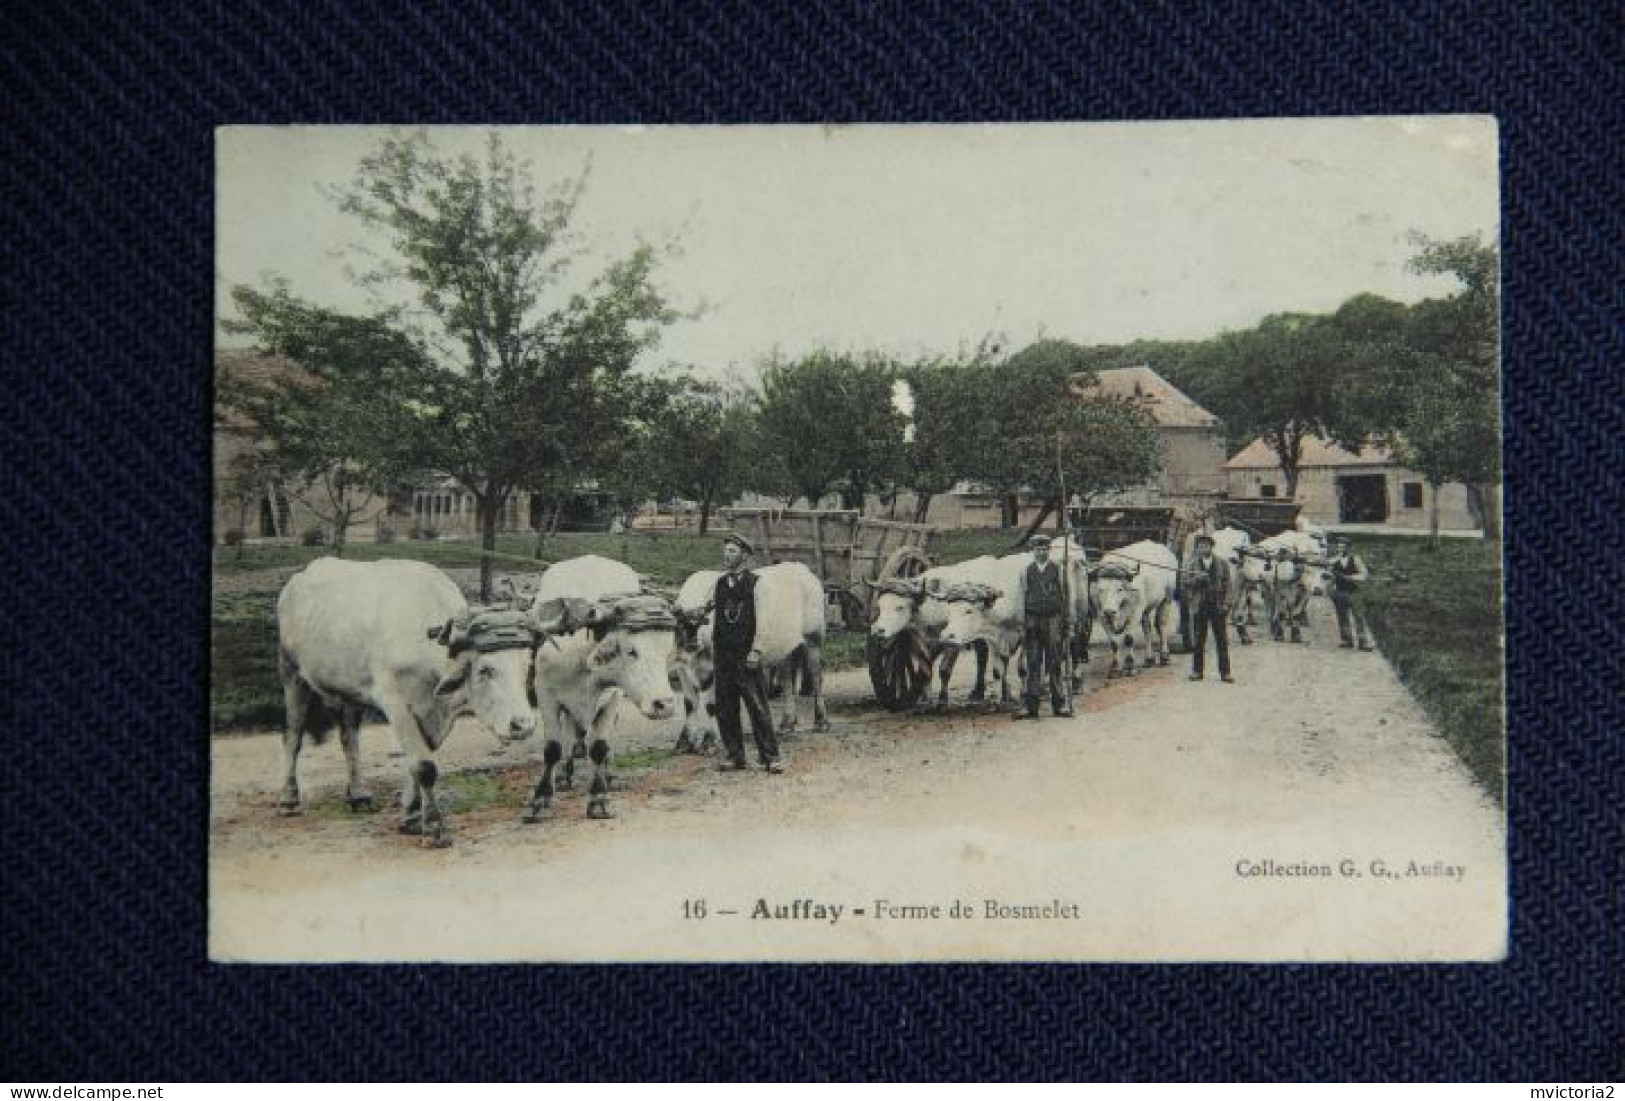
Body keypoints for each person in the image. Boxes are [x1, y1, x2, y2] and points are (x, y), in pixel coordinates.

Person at [710, 533, 783, 773]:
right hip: (723, 655)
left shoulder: (757, 583)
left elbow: (764, 620)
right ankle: (734, 756)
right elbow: (711, 612)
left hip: (746, 654)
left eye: (732, 551)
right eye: (726, 550)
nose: (726, 555)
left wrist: (757, 650)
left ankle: (770, 757)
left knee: (757, 705)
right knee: (725, 707)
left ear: (745, 556)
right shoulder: (719, 583)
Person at [1016, 535, 1072, 719]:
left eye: (1045, 549)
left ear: (1049, 550)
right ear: (1033, 551)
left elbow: (1065, 597)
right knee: (1033, 663)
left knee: (1055, 661)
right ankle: (1031, 706)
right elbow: (1021, 598)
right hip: (1033, 620)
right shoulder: (1026, 571)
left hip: (1052, 620)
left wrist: (1067, 621)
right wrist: (1022, 623)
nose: (1041, 552)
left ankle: (1060, 704)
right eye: (1038, 549)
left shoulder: (1058, 569)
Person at [1182, 533, 1235, 683]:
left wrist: (1226, 604)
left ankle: (1225, 673)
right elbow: (1184, 582)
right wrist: (1196, 579)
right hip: (1200, 607)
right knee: (1199, 641)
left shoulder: (1222, 564)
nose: (1203, 548)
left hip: (1217, 607)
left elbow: (1229, 586)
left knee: (1222, 641)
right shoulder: (1192, 564)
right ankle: (1197, 671)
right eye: (1200, 546)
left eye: (1206, 546)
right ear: (1197, 548)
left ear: (1212, 547)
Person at [1327, 536, 1376, 651]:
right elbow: (1328, 576)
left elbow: (1364, 575)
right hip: (1339, 591)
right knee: (1342, 617)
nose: (1340, 549)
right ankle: (1347, 639)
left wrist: (1349, 577)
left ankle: (1362, 641)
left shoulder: (1356, 559)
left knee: (1358, 616)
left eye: (1343, 547)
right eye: (1339, 547)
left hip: (1354, 592)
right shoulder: (1334, 560)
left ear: (1349, 548)